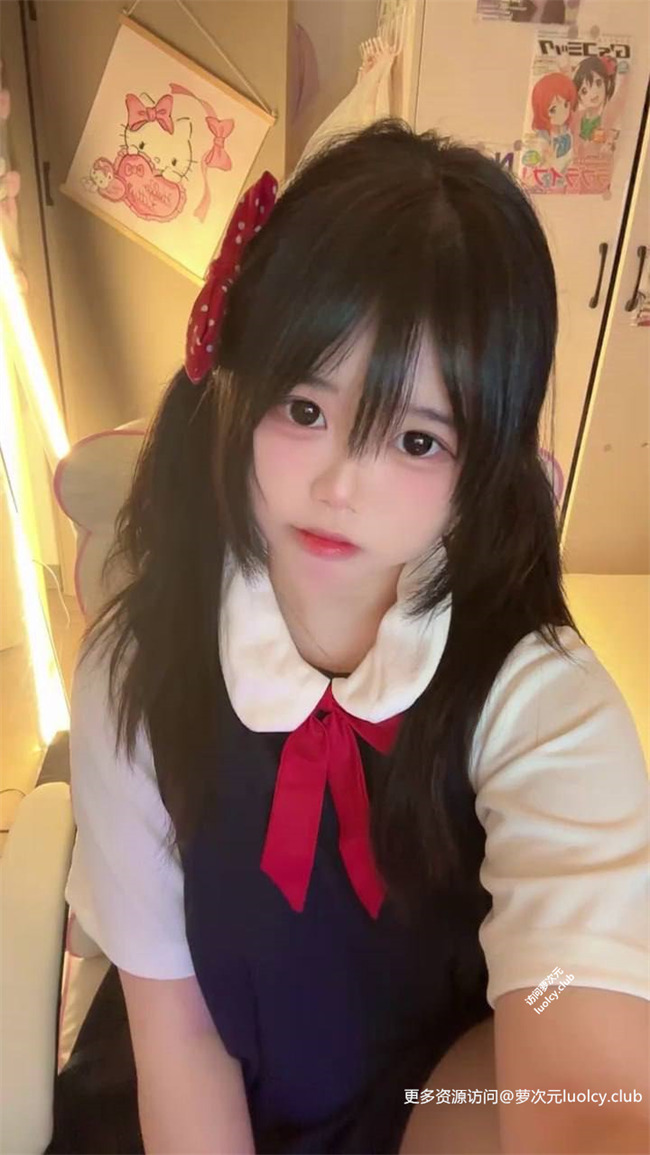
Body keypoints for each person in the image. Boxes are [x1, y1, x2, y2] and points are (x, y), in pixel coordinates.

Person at [57, 119, 648, 1155]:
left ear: (485, 466)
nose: (341, 484)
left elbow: (583, 1057)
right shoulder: (135, 672)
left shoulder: (538, 699)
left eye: (415, 439)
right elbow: (178, 1034)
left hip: (434, 1104)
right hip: (201, 1087)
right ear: (235, 383)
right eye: (304, 409)